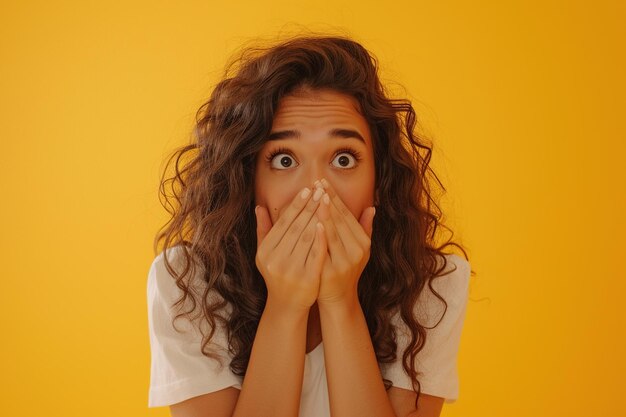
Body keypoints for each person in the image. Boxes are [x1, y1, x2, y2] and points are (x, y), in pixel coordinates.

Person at [147, 33, 473, 417]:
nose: (317, 190)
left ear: (379, 179)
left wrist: (340, 301)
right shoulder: (188, 282)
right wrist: (285, 306)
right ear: (247, 179)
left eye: (344, 159)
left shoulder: (431, 284)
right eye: (285, 160)